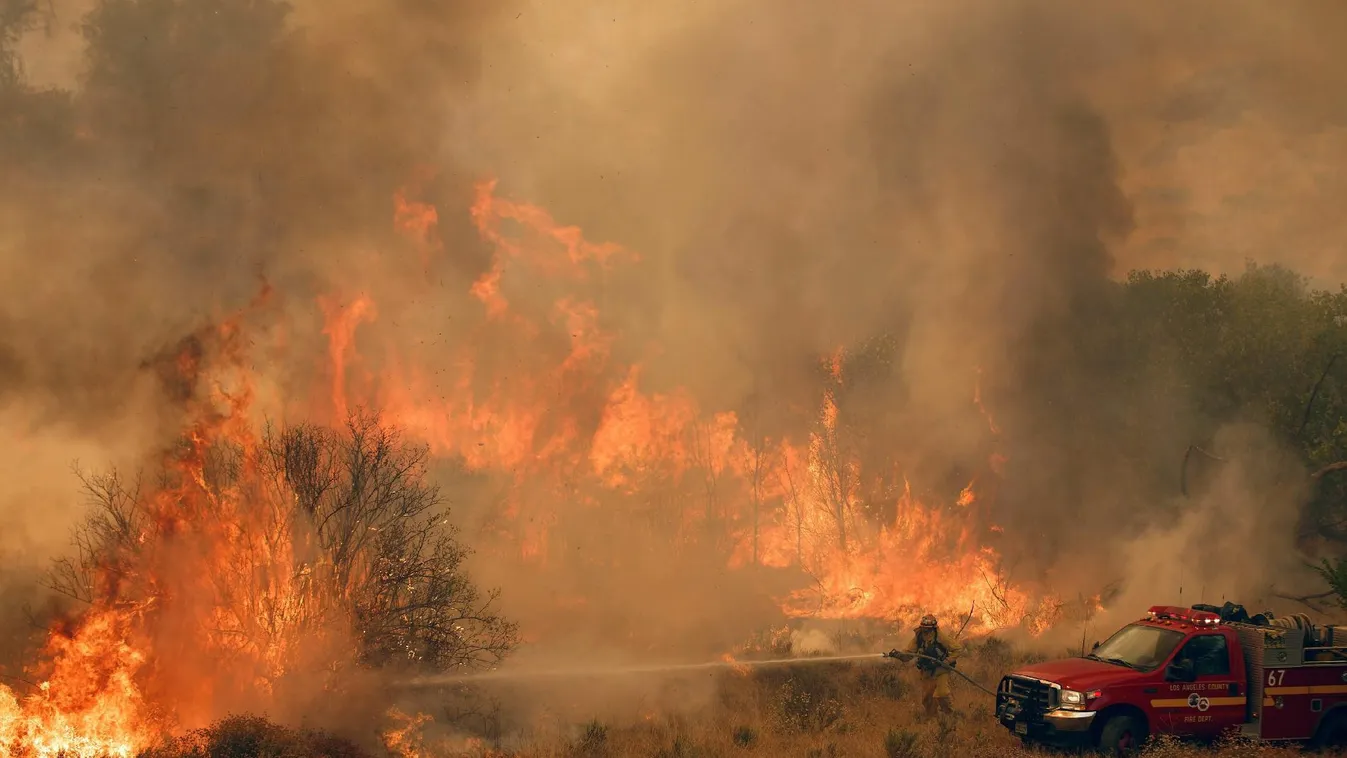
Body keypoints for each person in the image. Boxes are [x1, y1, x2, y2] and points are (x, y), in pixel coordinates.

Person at [888, 614, 961, 718]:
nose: (925, 631)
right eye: (923, 628)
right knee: (927, 699)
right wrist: (898, 655)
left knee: (942, 693)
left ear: (933, 628)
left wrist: (948, 660)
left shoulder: (940, 636)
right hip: (927, 671)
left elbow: (958, 649)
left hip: (941, 670)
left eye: (928, 629)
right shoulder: (919, 637)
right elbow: (908, 654)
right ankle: (932, 720)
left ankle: (950, 717)